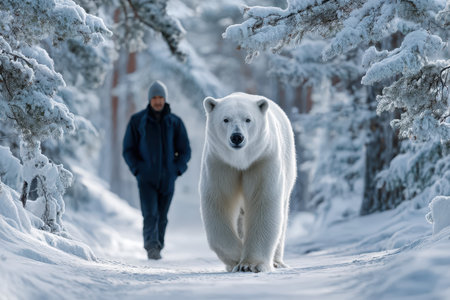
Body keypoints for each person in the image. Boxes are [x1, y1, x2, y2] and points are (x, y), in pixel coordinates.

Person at [122, 80, 191, 260]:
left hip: (168, 178)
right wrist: (138, 169)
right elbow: (128, 149)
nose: (158, 101)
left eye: (161, 97)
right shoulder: (138, 121)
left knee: (162, 216)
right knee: (150, 214)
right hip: (146, 179)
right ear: (149, 100)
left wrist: (177, 170)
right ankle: (151, 247)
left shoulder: (175, 122)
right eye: (154, 98)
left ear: (165, 99)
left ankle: (159, 245)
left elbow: (185, 150)